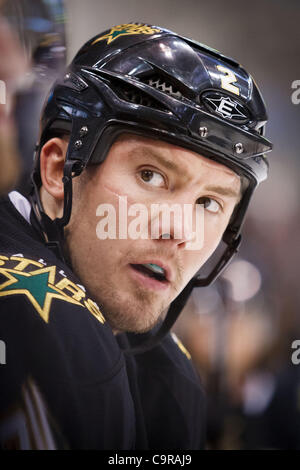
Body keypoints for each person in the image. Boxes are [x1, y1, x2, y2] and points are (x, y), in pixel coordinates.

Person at [0, 23, 272, 449]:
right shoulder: (40, 326)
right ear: (58, 169)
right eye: (151, 175)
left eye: (209, 203)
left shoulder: (171, 376)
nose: (179, 232)